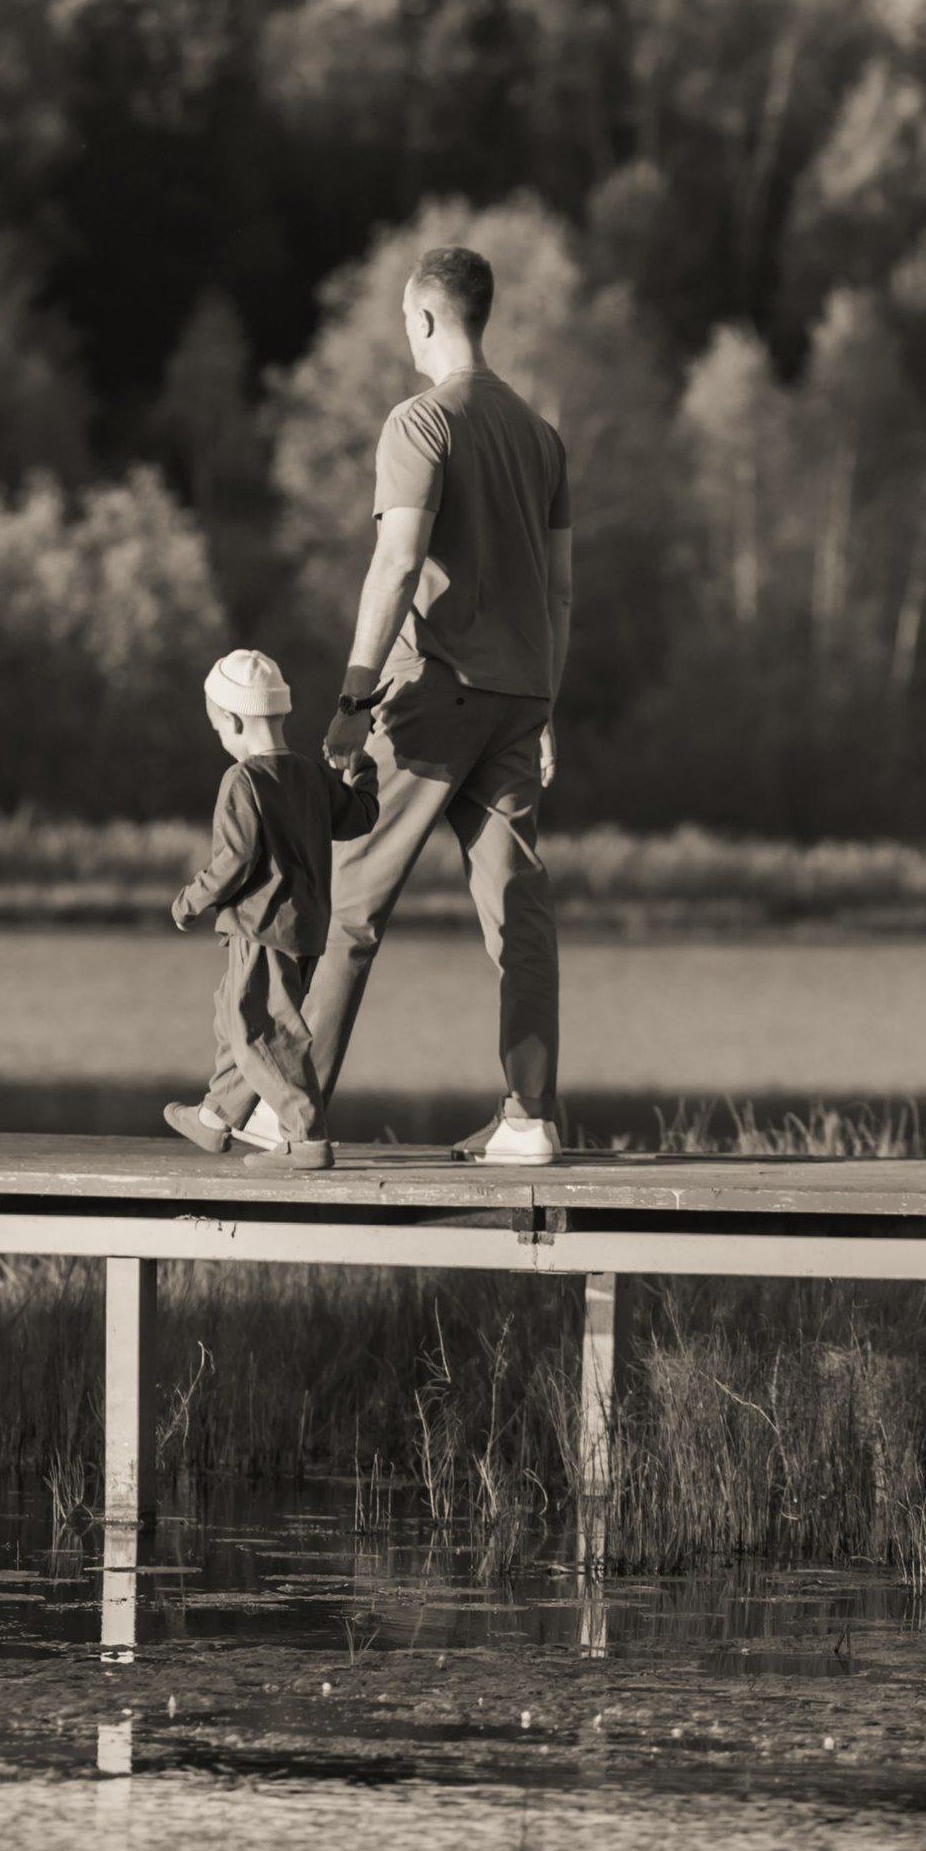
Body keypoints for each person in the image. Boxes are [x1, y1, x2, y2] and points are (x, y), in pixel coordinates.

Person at [308, 244, 570, 1165]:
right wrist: (546, 708)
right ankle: (529, 1118)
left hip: (435, 697)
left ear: (424, 319)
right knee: (519, 914)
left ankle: (286, 1107)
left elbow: (398, 562)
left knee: (347, 897)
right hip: (520, 697)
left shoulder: (420, 424)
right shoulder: (541, 438)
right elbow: (560, 592)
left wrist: (352, 695)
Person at [163, 646, 376, 1171]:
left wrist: (190, 900)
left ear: (233, 720)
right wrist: (362, 768)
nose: (220, 739)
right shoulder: (311, 775)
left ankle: (306, 1137)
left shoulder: (242, 781)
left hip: (259, 930)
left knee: (263, 1030)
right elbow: (361, 817)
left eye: (217, 729)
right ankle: (217, 1116)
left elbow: (233, 860)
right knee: (234, 1015)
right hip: (304, 931)